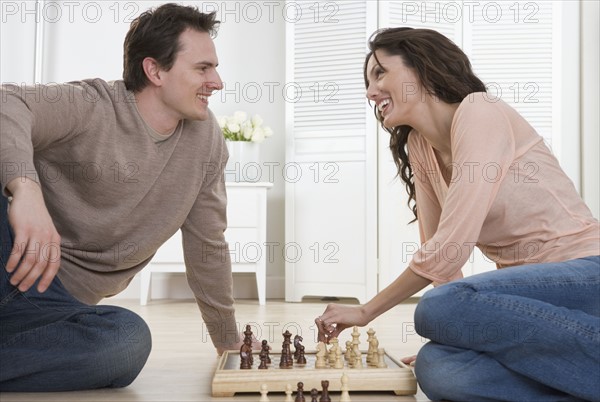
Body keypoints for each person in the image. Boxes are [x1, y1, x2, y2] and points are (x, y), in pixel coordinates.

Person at [315, 27, 600, 402]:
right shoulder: (420, 146)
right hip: (534, 305)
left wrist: (367, 311)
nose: (370, 91)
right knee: (438, 366)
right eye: (368, 81)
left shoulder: (481, 111)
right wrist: (459, 332)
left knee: (435, 308)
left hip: (585, 275)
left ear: (421, 68)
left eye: (380, 73)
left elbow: (451, 248)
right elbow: (441, 260)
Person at [0, 3, 250, 392]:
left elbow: (208, 246)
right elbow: (7, 102)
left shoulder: (206, 143)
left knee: (126, 341)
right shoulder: (92, 105)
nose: (216, 81)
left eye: (214, 68)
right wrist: (24, 189)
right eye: (203, 68)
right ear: (155, 71)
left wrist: (228, 344)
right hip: (10, 252)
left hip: (56, 307)